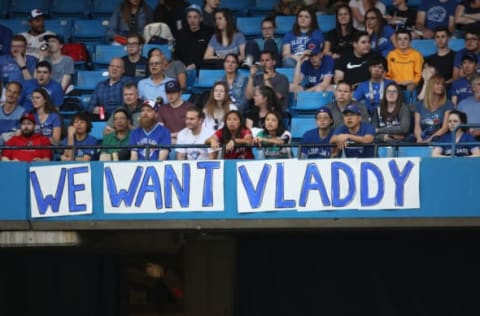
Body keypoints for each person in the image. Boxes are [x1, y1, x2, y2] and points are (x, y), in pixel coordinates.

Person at [413, 74, 453, 143]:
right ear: (430, 86)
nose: (441, 86)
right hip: (423, 136)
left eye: (442, 84)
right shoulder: (419, 104)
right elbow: (417, 126)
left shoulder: (448, 104)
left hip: (439, 137)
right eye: (437, 84)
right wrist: (419, 138)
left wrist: (428, 140)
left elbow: (445, 128)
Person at [174, 4, 214, 71]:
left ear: (201, 18)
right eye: (189, 17)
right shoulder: (181, 34)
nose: (192, 20)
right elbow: (176, 54)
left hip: (202, 68)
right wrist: (181, 65)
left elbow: (209, 56)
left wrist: (195, 65)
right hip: (183, 69)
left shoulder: (208, 33)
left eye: (195, 17)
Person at [458, 73, 480, 140]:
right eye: (479, 84)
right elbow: (456, 124)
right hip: (468, 140)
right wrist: (467, 132)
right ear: (472, 87)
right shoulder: (462, 104)